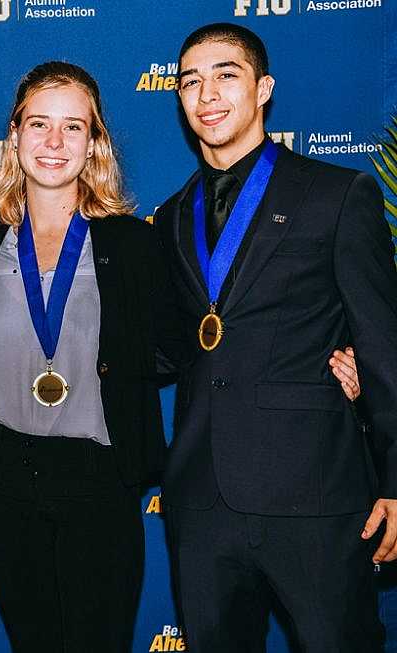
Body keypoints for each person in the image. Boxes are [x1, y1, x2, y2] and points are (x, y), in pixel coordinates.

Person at [155, 22, 397, 651]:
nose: (206, 92)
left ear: (263, 88)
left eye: (225, 75)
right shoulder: (172, 215)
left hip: (314, 498)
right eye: (190, 80)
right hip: (202, 503)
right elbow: (170, 346)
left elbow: (383, 345)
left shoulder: (338, 194)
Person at [0, 60, 178, 652]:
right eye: (39, 125)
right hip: (1, 480)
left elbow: (182, 347)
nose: (54, 143)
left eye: (73, 127)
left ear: (94, 143)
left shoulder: (132, 245)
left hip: (97, 480)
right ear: (14, 137)